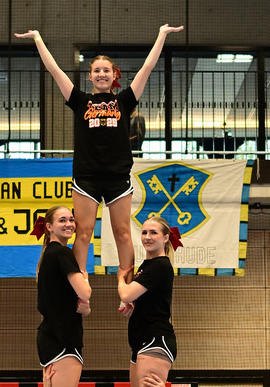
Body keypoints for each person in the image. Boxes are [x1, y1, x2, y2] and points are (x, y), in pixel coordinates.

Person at [15, 23, 183, 274]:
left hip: (117, 176)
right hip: (87, 176)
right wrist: (38, 39)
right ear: (89, 76)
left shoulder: (124, 100)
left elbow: (147, 68)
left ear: (114, 75)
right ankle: (79, 282)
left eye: (106, 70)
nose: (102, 74)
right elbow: (54, 70)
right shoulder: (80, 100)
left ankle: (126, 285)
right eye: (96, 70)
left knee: (123, 233)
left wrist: (161, 35)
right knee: (83, 233)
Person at [117, 215, 179, 387]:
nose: (147, 237)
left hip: (156, 340)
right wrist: (133, 307)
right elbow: (142, 299)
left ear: (165, 238)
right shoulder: (147, 265)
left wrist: (120, 278)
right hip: (141, 342)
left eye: (153, 232)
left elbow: (126, 293)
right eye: (144, 232)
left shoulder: (160, 265)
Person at [34, 204, 92, 387]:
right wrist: (85, 280)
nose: (69, 224)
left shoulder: (48, 256)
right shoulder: (61, 253)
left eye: (71, 219)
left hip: (50, 338)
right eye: (62, 220)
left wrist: (84, 308)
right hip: (63, 339)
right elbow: (84, 292)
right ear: (49, 226)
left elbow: (68, 301)